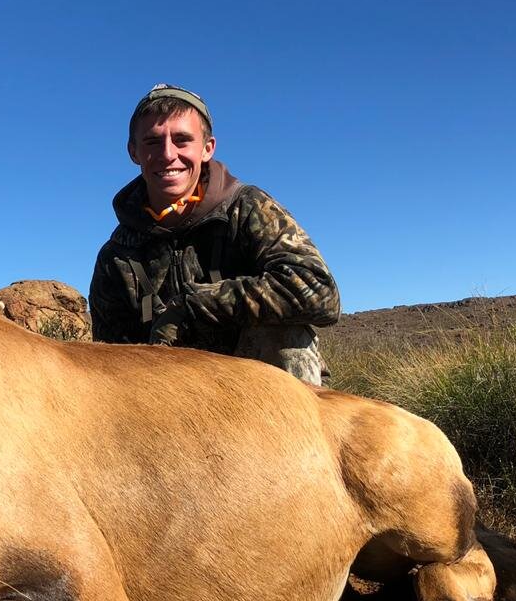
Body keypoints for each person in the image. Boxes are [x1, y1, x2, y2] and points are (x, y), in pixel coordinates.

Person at [89, 84, 340, 384]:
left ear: (207, 148)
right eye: (152, 142)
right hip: (170, 395)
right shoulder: (117, 255)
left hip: (258, 387)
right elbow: (110, 361)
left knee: (284, 335)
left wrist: (190, 306)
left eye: (182, 140)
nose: (168, 154)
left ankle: (301, 431)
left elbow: (320, 292)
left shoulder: (247, 208)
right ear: (134, 152)